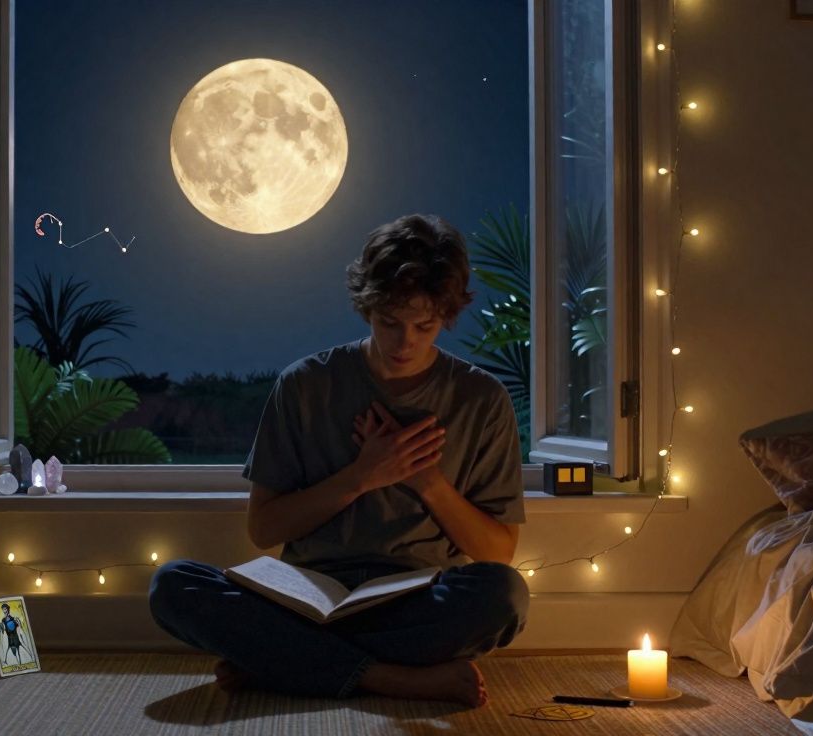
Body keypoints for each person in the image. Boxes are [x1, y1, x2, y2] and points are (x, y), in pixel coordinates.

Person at [147, 213, 529, 706]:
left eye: (424, 325)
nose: (405, 342)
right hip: (304, 599)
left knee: (503, 596)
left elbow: (497, 552)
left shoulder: (481, 398)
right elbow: (263, 529)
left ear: (446, 315)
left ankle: (284, 663)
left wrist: (426, 482)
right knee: (173, 586)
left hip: (417, 601)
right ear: (367, 307)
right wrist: (362, 476)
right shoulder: (305, 384)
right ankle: (391, 678)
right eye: (389, 322)